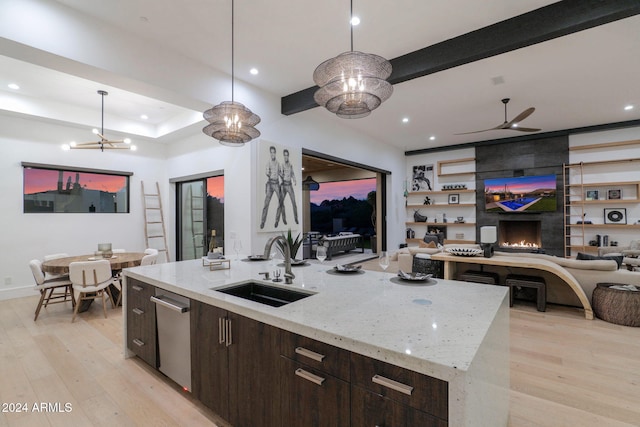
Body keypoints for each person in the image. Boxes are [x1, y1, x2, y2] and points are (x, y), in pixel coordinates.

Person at [260, 146, 282, 229]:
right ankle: (262, 222)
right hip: (270, 183)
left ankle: (277, 220)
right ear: (270, 153)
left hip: (277, 184)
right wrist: (270, 174)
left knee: (281, 202)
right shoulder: (268, 163)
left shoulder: (278, 163)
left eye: (273, 152)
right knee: (266, 203)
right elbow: (267, 172)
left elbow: (280, 173)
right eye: (271, 152)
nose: (272, 154)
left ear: (275, 153)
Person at [278, 149, 298, 225]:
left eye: (287, 155)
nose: (286, 157)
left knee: (294, 202)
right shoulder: (282, 164)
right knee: (281, 203)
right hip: (283, 185)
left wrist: (295, 180)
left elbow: (292, 173)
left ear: (288, 156)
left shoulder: (290, 165)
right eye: (285, 155)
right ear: (283, 156)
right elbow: (280, 172)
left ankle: (296, 219)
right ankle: (283, 219)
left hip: (289, 185)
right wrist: (282, 176)